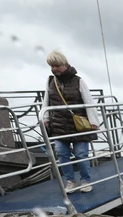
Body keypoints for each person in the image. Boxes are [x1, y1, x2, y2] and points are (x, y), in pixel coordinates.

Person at [42, 51, 100, 193]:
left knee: (81, 154)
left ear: (65, 64)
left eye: (57, 65)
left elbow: (88, 101)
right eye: (52, 66)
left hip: (78, 124)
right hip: (59, 125)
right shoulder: (51, 82)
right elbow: (46, 102)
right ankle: (70, 181)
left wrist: (93, 121)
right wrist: (45, 118)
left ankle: (85, 181)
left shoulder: (78, 81)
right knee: (62, 153)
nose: (54, 69)